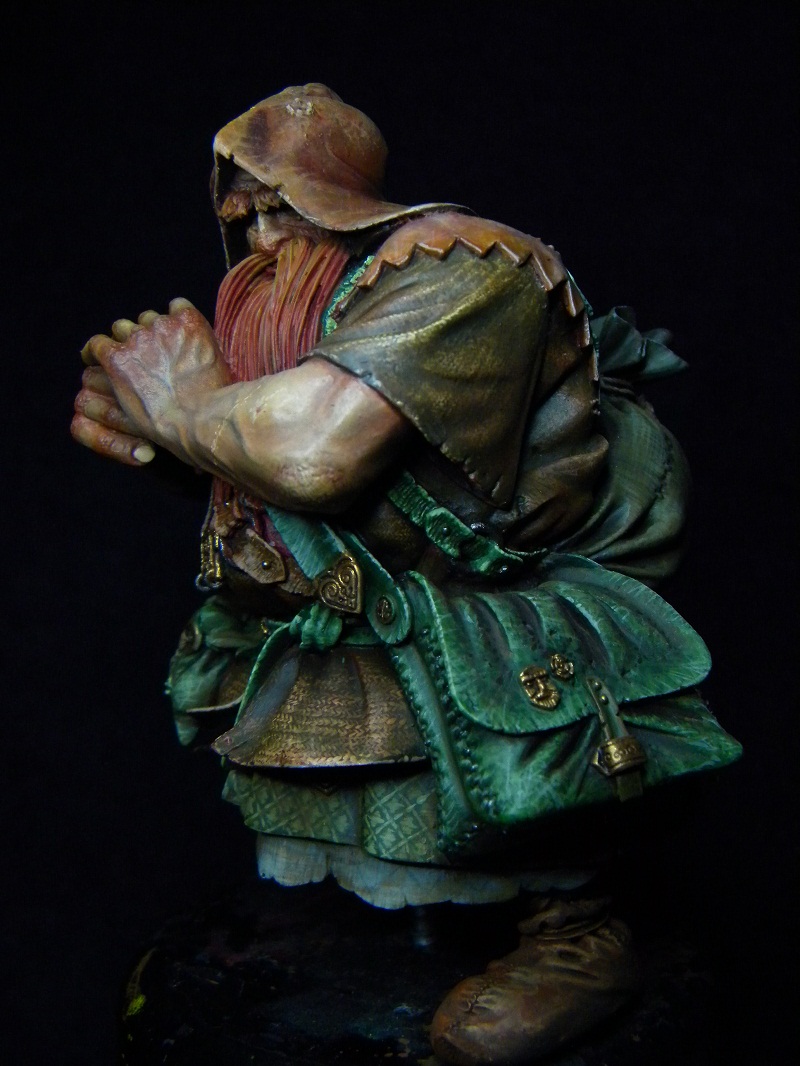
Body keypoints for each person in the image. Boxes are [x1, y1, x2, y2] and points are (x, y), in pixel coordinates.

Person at [72, 84, 740, 1066]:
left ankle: (579, 935)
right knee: (355, 746)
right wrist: (168, 440)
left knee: (520, 766)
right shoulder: (305, 304)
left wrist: (180, 404)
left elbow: (316, 454)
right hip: (350, 599)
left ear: (338, 195)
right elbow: (281, 470)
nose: (261, 240)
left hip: (489, 598)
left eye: (281, 209)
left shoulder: (461, 268)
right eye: (243, 220)